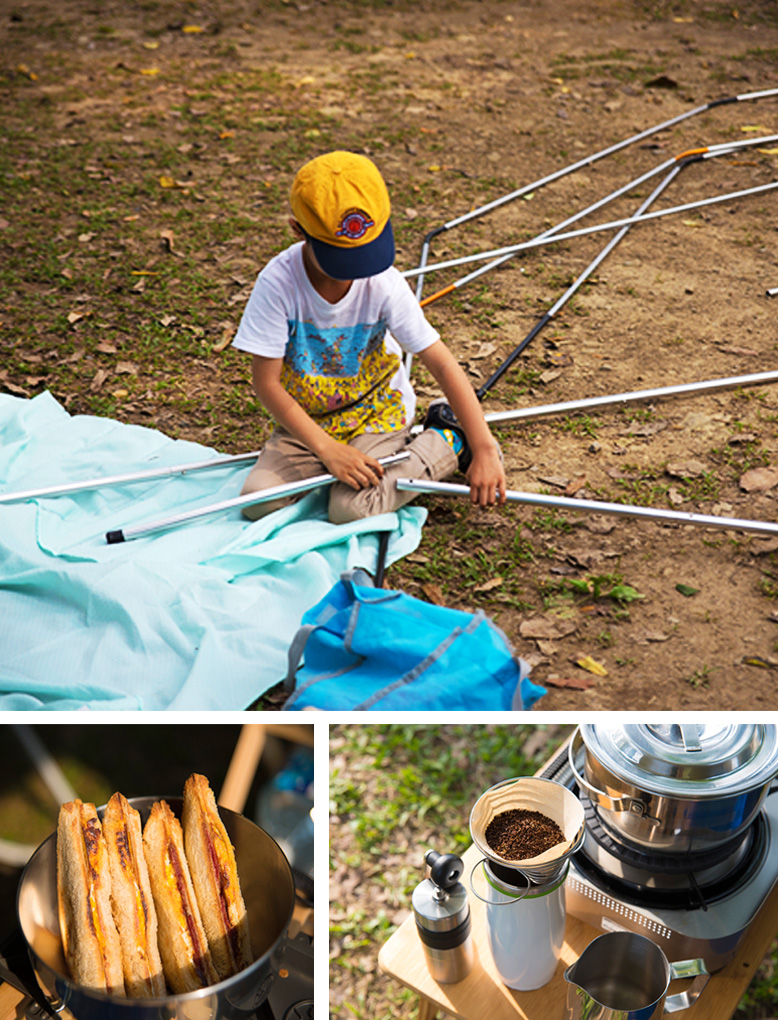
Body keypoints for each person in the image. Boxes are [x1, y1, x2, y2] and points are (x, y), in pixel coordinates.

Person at [232, 150, 506, 524]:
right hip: (312, 420)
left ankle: (445, 441)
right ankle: (334, 463)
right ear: (298, 230)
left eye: (364, 254)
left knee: (350, 509)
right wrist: (327, 450)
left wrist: (483, 447)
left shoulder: (383, 283)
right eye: (342, 259)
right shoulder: (278, 283)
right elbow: (266, 383)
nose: (356, 273)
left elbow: (440, 362)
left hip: (375, 414)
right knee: (257, 501)